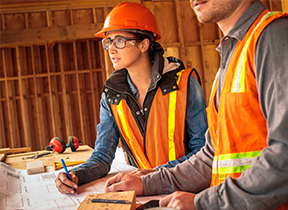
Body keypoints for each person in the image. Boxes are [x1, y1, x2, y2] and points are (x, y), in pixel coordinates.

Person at [104, 0, 288, 209]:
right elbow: (211, 156)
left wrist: (204, 204)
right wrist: (147, 183)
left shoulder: (275, 36)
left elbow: (285, 155)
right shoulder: (233, 55)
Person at [55, 2, 208, 194]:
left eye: (119, 40)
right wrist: (76, 174)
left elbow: (202, 152)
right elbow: (102, 157)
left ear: (144, 44)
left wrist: (154, 175)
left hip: (185, 190)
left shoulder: (185, 83)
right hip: (141, 194)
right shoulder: (111, 95)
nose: (111, 49)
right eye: (108, 41)